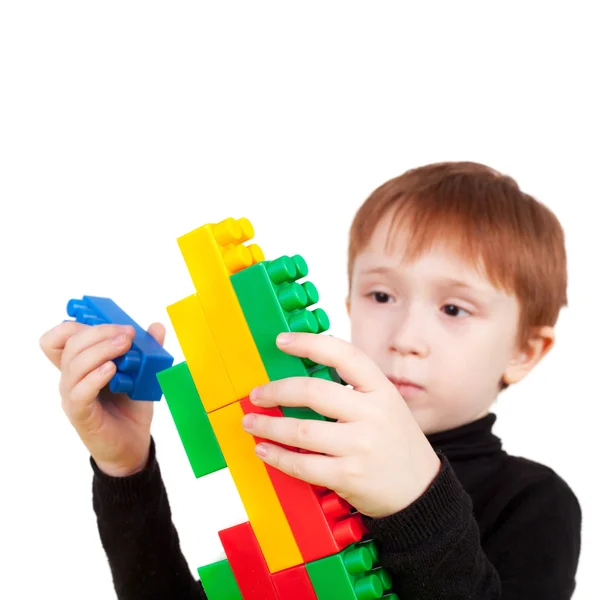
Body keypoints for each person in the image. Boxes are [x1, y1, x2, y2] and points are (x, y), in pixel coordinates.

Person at [40, 161, 582, 599]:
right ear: (348, 305)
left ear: (524, 351)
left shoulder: (534, 504)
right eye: (382, 296)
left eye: (455, 308)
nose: (406, 336)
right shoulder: (295, 454)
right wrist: (125, 470)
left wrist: (416, 501)